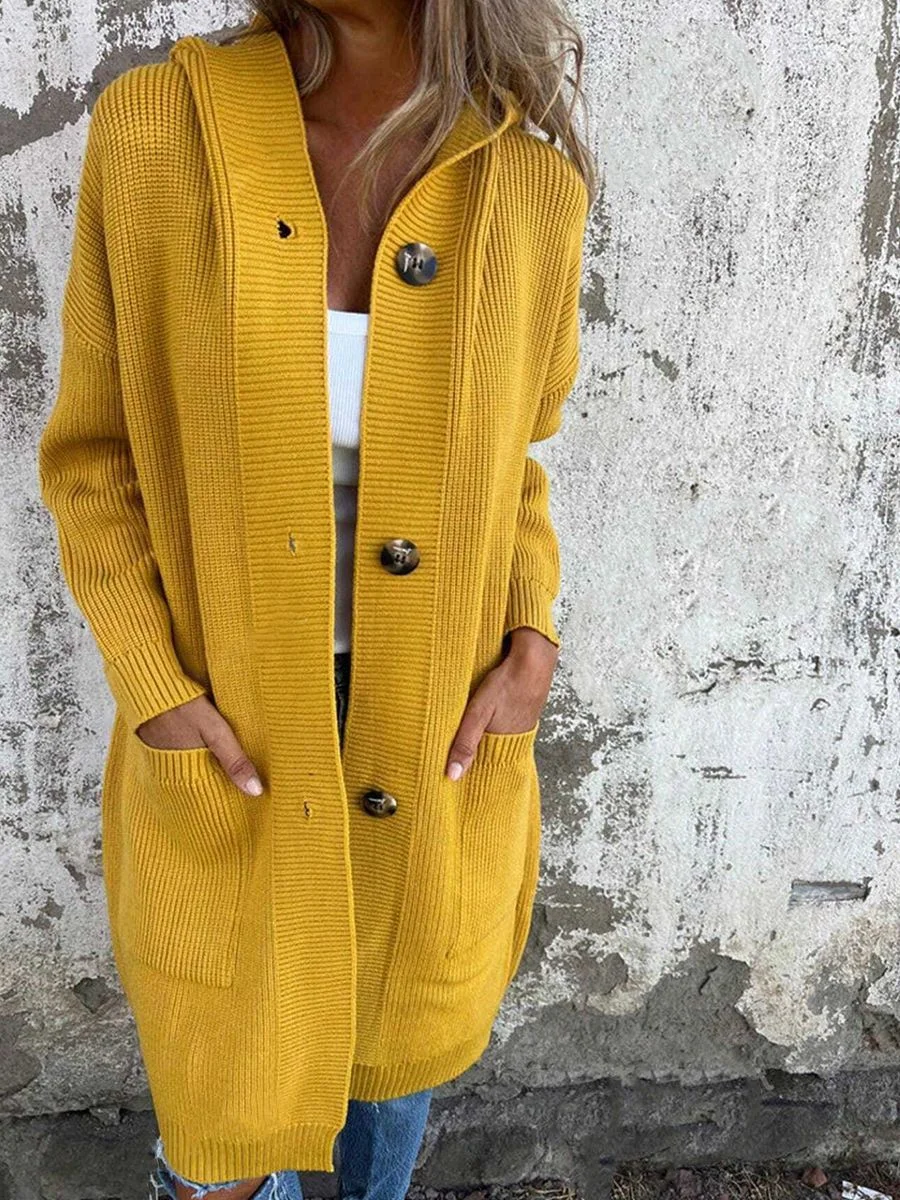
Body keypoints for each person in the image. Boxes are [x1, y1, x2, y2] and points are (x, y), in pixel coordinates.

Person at [37, 1, 598, 1197]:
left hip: (436, 738)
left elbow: (521, 460)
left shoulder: (528, 187)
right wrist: (154, 685)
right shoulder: (157, 134)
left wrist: (532, 636)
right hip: (230, 735)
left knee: (385, 1086)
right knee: (225, 1144)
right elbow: (93, 459)